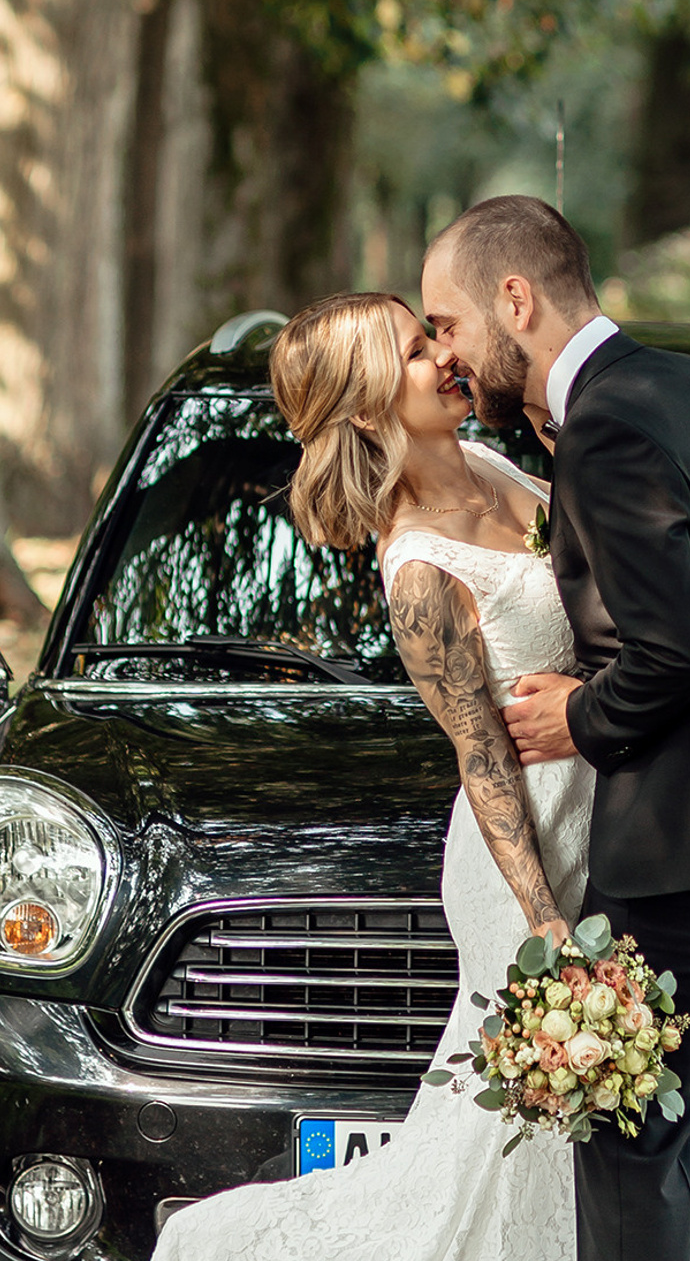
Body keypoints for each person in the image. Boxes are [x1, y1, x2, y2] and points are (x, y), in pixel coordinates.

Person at [422, 195, 690, 1261]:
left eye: (449, 324)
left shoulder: (606, 430)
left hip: (689, 851)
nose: (448, 354)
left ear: (515, 299)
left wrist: (578, 714)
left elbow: (674, 655)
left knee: (629, 1138)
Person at [154, 289, 591, 1261]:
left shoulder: (490, 463)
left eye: (432, 336)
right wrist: (543, 917)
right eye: (415, 350)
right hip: (524, 857)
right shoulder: (419, 569)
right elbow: (480, 751)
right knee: (523, 1128)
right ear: (363, 405)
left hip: (594, 809)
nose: (445, 355)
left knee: (545, 1135)